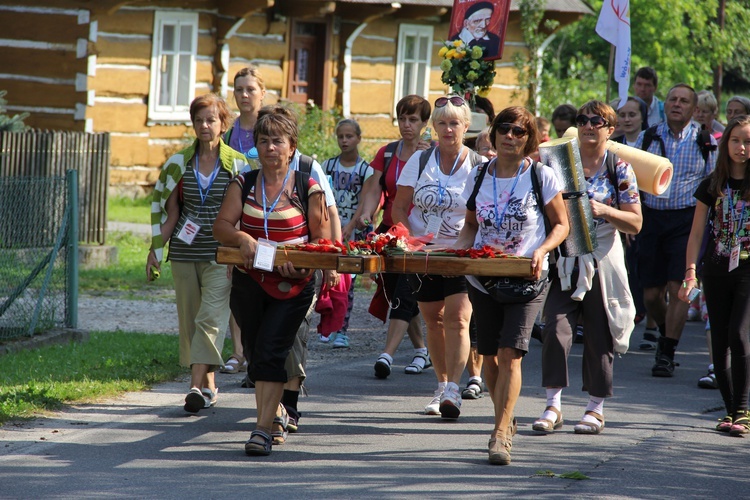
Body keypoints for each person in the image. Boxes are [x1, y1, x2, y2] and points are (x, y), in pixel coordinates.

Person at [213, 105, 338, 456]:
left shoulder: (307, 187)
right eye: (264, 141)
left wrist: (300, 265)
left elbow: (321, 242)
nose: (270, 148)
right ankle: (273, 414)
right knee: (256, 354)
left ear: (292, 147)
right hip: (248, 283)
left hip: (292, 286)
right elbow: (221, 226)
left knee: (271, 352)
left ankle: (262, 429)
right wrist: (243, 239)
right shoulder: (245, 183)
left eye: (278, 141)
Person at [455, 106, 569, 465]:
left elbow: (561, 224)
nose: (510, 136)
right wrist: (457, 253)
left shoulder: (542, 176)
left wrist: (542, 250)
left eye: (519, 131)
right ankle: (505, 415)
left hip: (527, 278)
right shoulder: (478, 175)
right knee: (489, 357)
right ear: (493, 132)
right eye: (504, 128)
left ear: (529, 138)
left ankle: (500, 433)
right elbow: (471, 224)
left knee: (510, 355)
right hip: (483, 278)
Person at [534, 101, 641, 436]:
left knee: (599, 333)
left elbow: (635, 222)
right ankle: (553, 405)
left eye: (598, 121)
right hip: (566, 257)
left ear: (611, 129)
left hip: (604, 259)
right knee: (555, 328)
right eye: (583, 120)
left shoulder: (619, 167)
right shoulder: (560, 163)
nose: (589, 126)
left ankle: (596, 408)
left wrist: (604, 210)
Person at [147, 93, 248, 413]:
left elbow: (246, 215)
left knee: (211, 319)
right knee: (191, 322)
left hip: (222, 256)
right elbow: (170, 213)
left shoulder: (239, 165)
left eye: (211, 120)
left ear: (223, 124)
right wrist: (154, 249)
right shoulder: (179, 164)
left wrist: (242, 252)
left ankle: (193, 385)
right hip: (184, 253)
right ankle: (209, 385)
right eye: (199, 120)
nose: (205, 126)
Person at [392, 95, 484, 419]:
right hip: (423, 253)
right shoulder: (419, 161)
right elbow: (400, 206)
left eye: (454, 123)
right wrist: (407, 238)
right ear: (434, 126)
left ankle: (453, 389)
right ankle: (441, 383)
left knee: (459, 318)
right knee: (434, 320)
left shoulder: (477, 165)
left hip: (460, 252)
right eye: (442, 123)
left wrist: (465, 246)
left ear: (466, 126)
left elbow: (481, 214)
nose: (448, 129)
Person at [635, 83, 717, 377]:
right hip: (652, 219)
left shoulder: (706, 141)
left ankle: (667, 351)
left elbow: (715, 183)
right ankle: (664, 334)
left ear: (694, 109)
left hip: (686, 221)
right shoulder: (648, 136)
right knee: (652, 296)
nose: (677, 104)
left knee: (678, 290)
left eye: (684, 101)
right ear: (665, 103)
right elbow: (629, 178)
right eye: (672, 99)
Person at [679, 116, 750, 436]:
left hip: (748, 269)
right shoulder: (712, 184)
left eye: (748, 141)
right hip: (717, 268)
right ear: (726, 144)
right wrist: (690, 272)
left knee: (739, 334)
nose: (742, 147)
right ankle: (731, 410)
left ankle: (744, 410)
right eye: (736, 140)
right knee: (719, 343)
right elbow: (695, 235)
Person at [358, 95, 431, 378]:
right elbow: (374, 188)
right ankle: (422, 350)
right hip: (389, 232)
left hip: (420, 236)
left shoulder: (433, 153)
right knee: (394, 292)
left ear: (425, 123)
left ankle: (386, 354)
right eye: (402, 118)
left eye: (413, 119)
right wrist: (366, 214)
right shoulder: (387, 152)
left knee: (405, 291)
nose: (406, 125)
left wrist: (429, 161)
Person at [320, 118, 374, 348]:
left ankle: (342, 329)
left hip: (353, 232)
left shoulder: (366, 170)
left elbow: (365, 202)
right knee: (328, 279)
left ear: (358, 139)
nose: (345, 140)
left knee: (348, 282)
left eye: (349, 136)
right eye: (341, 136)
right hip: (331, 228)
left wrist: (350, 227)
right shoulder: (328, 166)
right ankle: (327, 327)